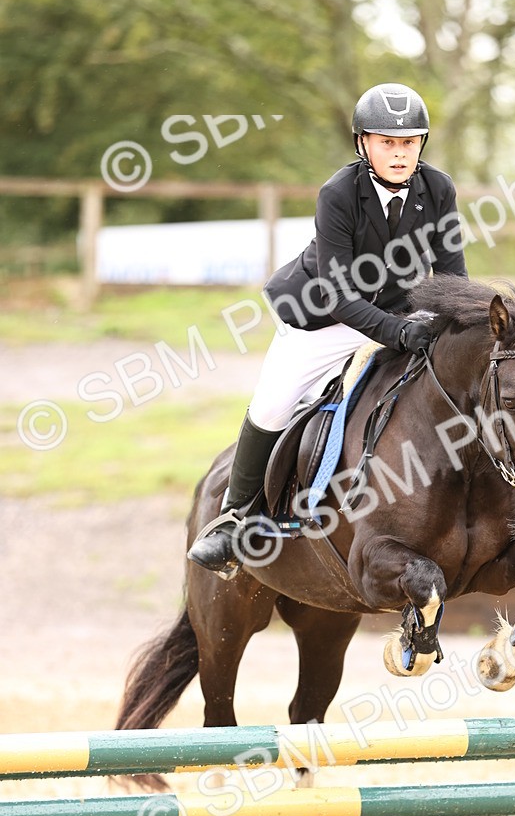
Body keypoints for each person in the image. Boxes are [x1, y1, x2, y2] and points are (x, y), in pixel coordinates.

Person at [187, 81, 468, 576]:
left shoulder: (438, 188)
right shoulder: (339, 194)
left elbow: (453, 275)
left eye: (408, 143)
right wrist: (400, 333)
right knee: (274, 402)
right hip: (322, 318)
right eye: (387, 142)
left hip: (399, 312)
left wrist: (458, 324)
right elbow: (340, 296)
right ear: (363, 144)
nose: (399, 154)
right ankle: (233, 517)